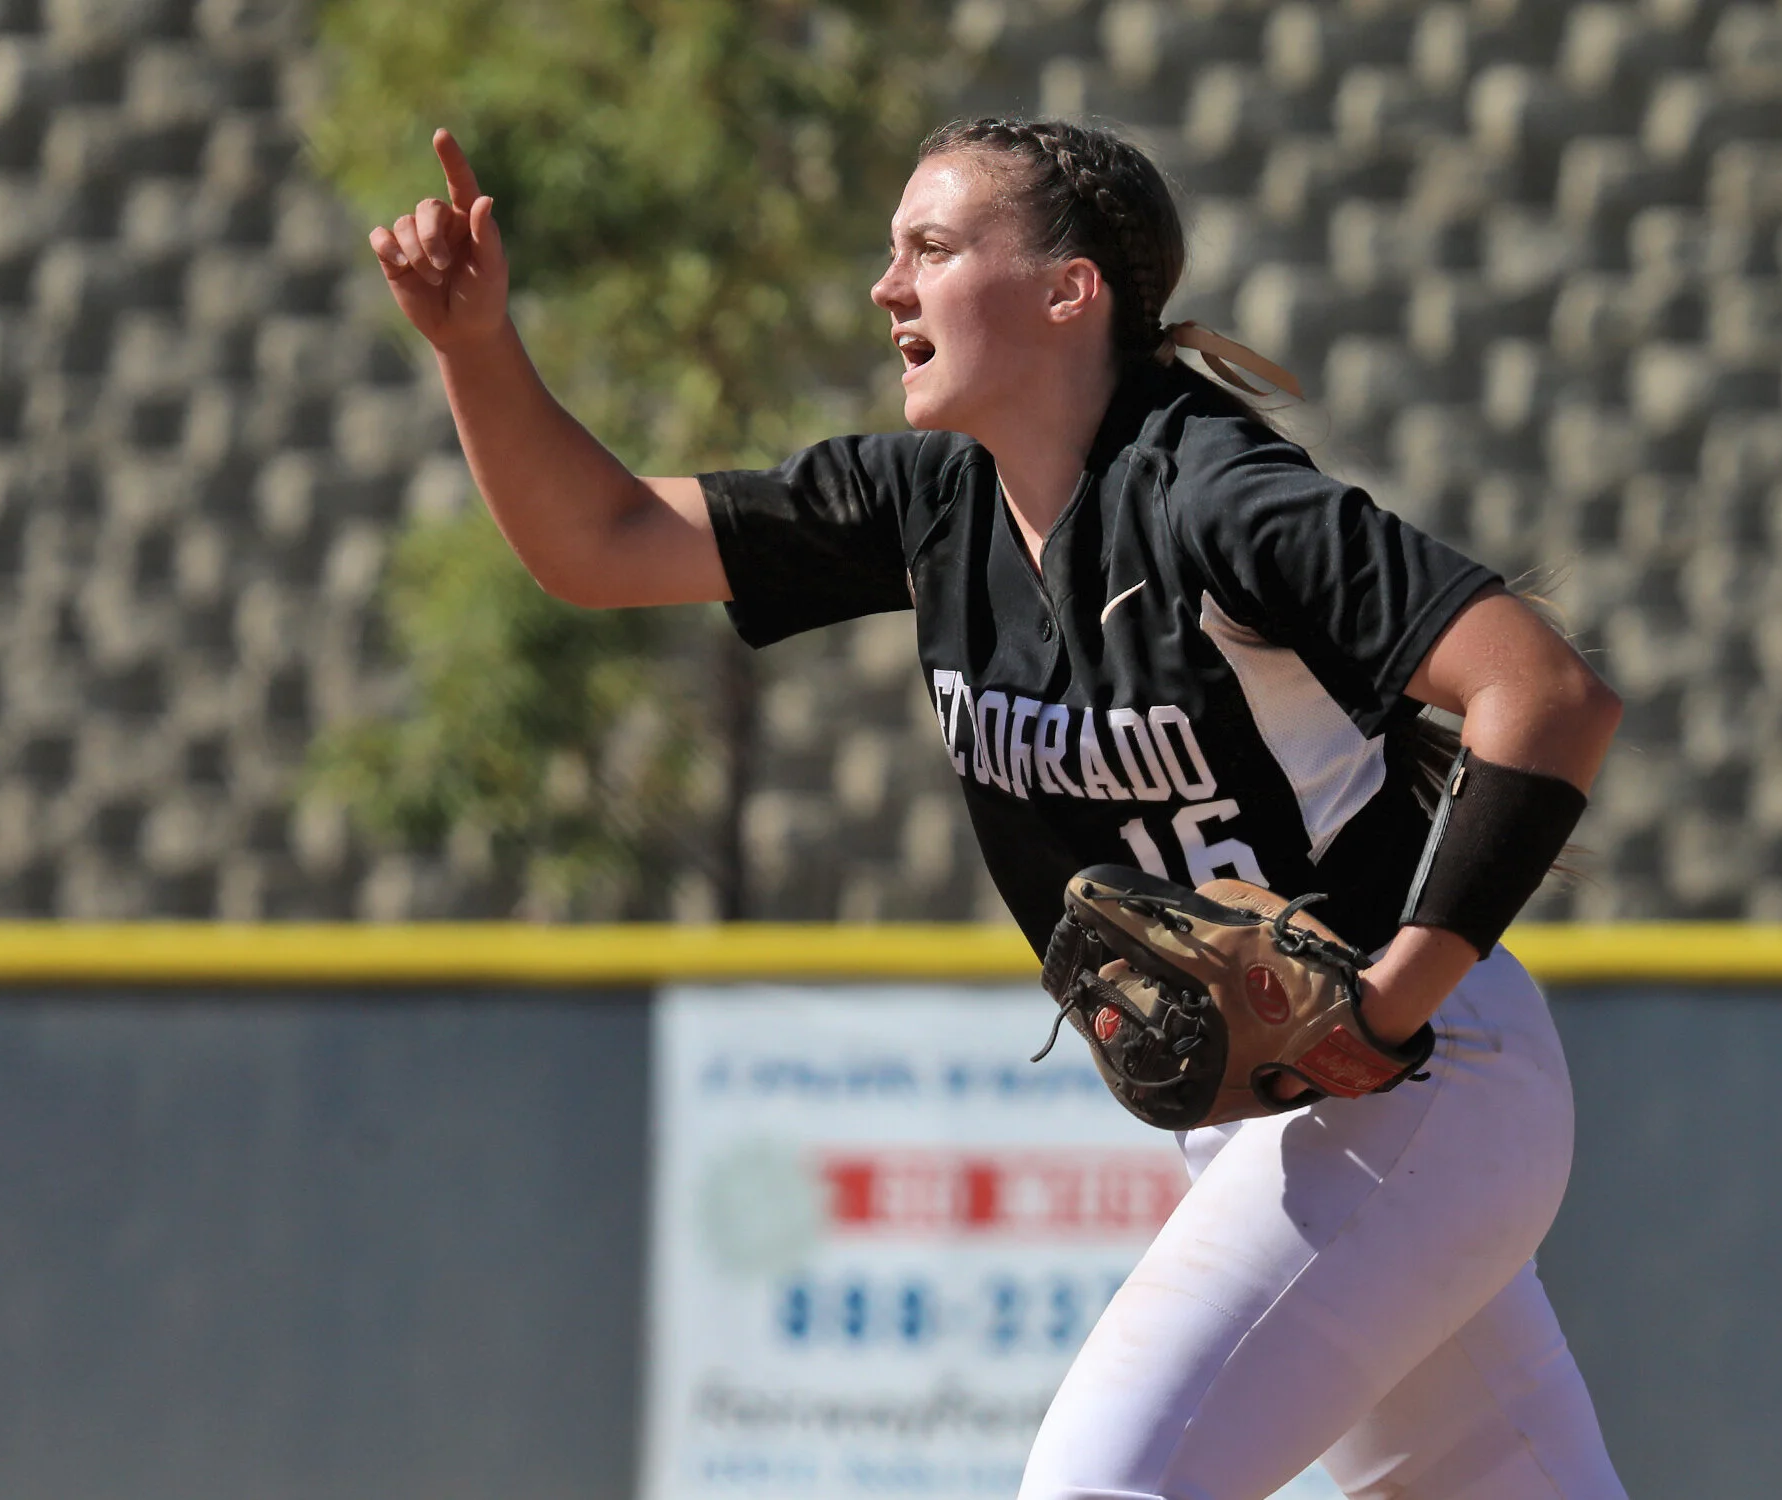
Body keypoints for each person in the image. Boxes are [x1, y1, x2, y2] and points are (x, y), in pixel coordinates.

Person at [372, 116, 1627, 1500]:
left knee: (1099, 1487)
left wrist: (1392, 1002)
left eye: (931, 246)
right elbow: (596, 545)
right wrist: (474, 345)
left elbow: (1546, 694)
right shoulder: (931, 507)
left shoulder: (1219, 499)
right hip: (1286, 1121)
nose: (885, 287)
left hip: (1418, 1083)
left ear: (1066, 291)